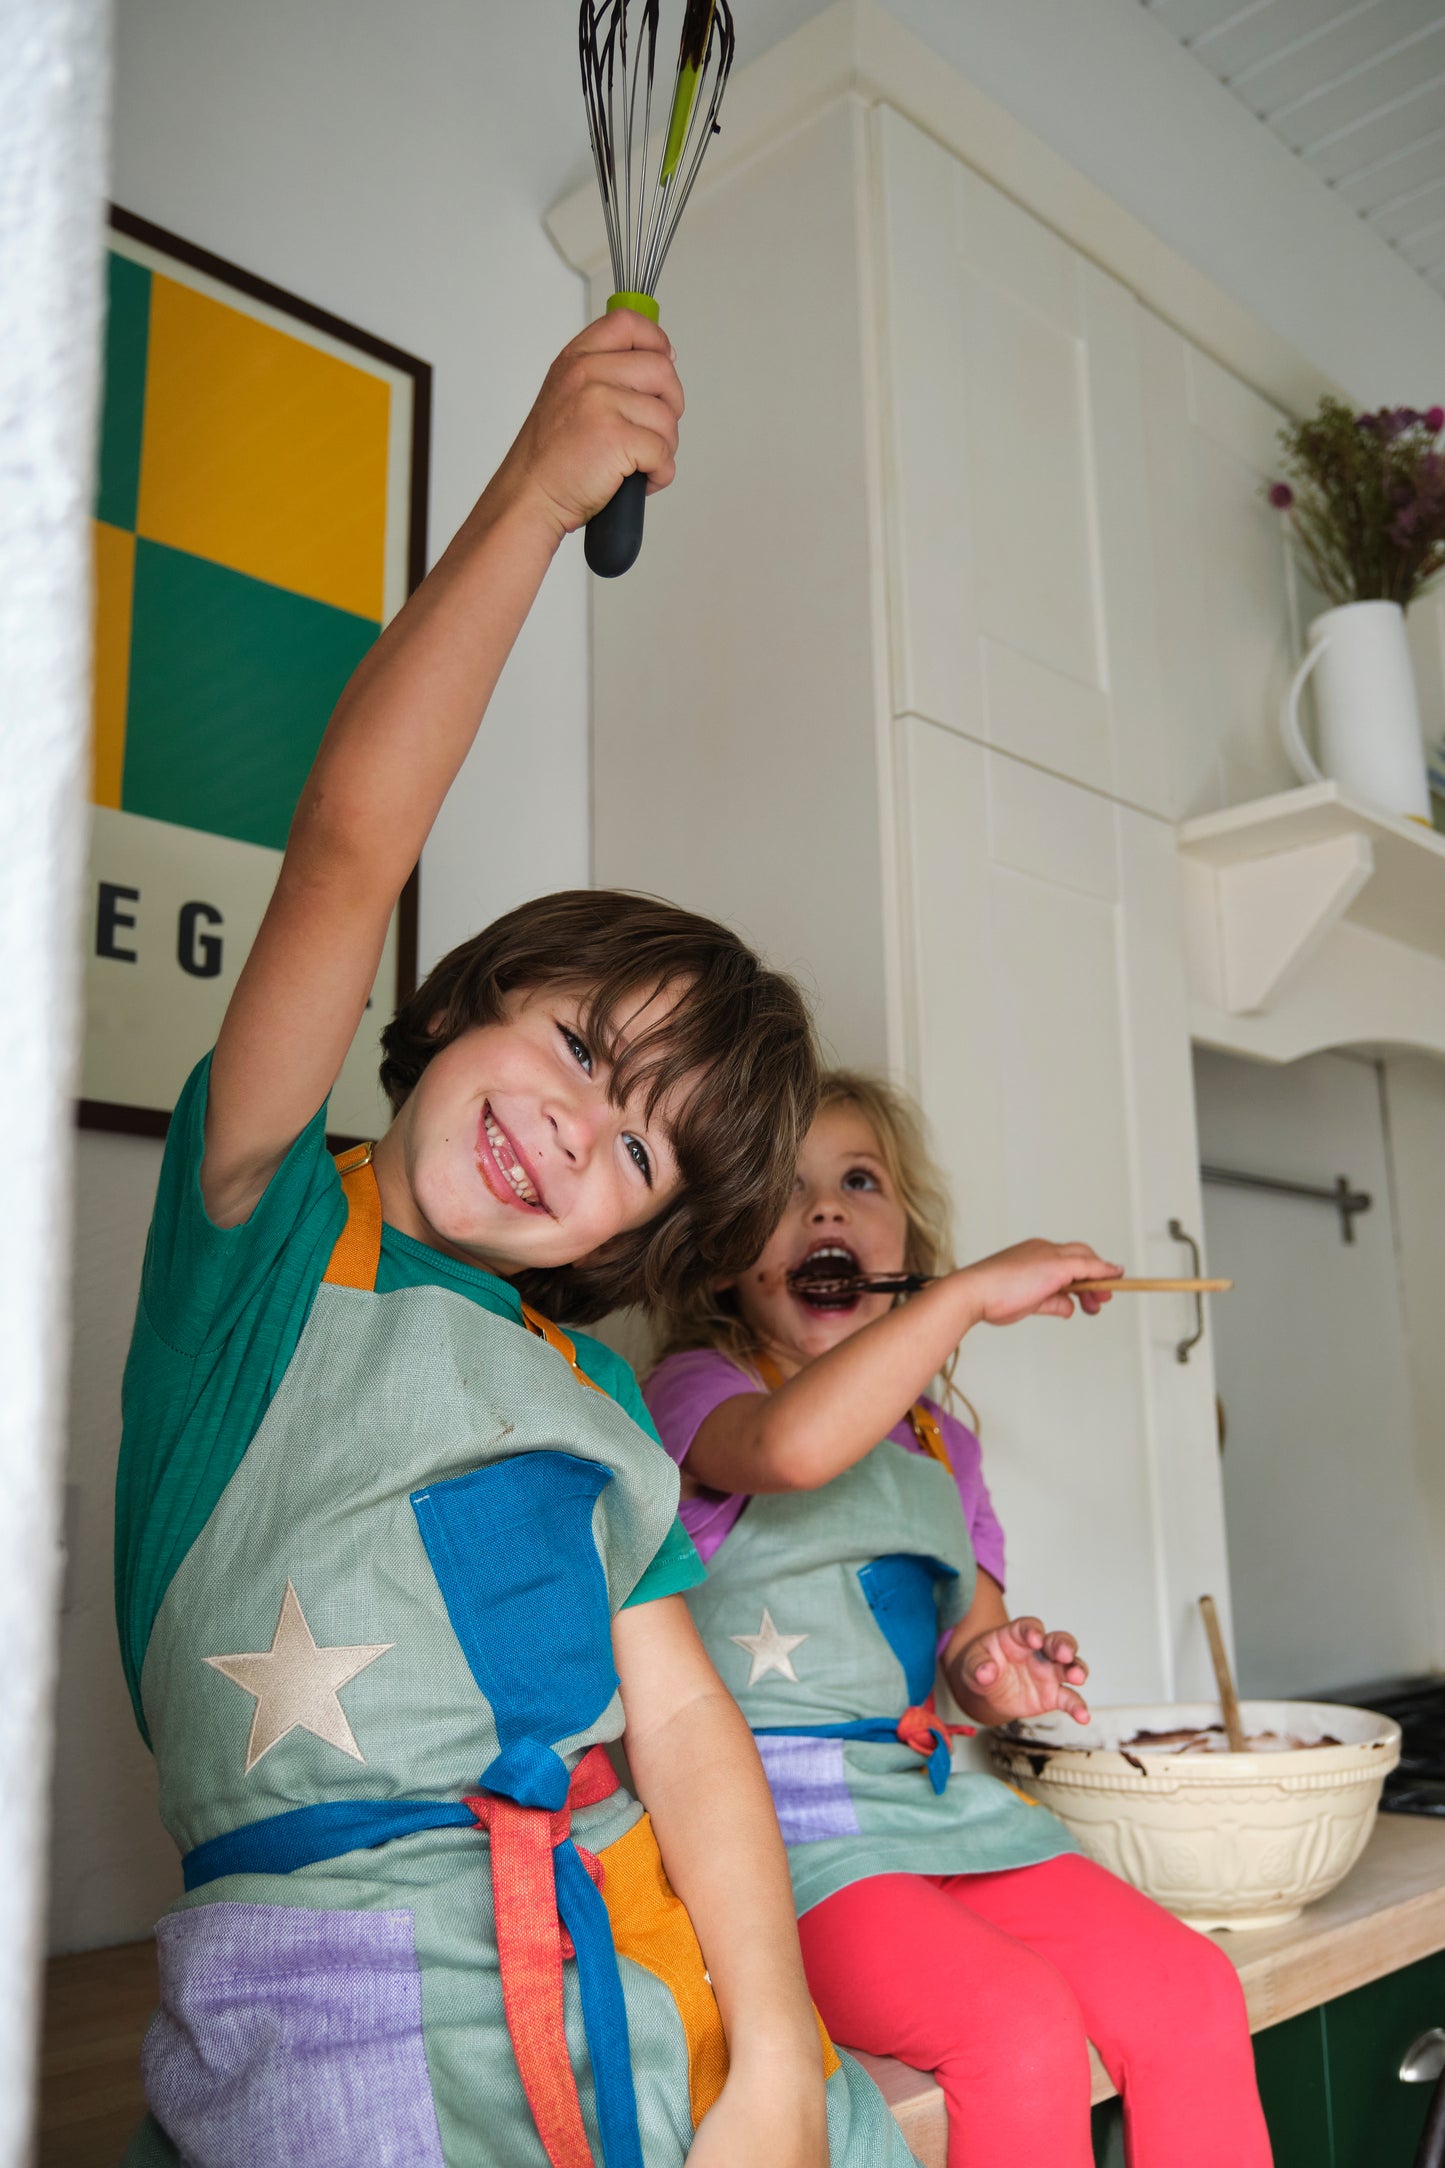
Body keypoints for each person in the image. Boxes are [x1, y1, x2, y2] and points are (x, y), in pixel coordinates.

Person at [115, 314, 909, 2168]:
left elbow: (687, 1730)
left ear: (646, 1230)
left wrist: (775, 2054)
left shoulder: (594, 1398)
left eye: (634, 1144)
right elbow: (348, 847)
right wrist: (538, 499)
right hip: (332, 1980)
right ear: (470, 995)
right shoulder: (267, 1226)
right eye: (575, 1046)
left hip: (629, 1945)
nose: (572, 1122)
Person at [643, 1071, 1273, 2168]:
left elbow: (972, 1649)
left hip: (932, 1811)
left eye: (858, 1181)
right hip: (777, 1840)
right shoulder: (695, 1390)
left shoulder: (942, 1442)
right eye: (782, 1189)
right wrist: (971, 1296)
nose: (824, 1207)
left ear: (907, 1244)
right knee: (1016, 2027)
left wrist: (1000, 1668)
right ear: (722, 1256)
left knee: (1192, 1988)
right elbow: (792, 1446)